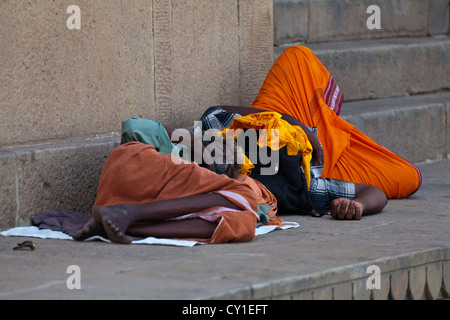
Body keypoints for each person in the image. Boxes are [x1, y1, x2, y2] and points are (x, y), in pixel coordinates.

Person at [198, 46, 421, 220]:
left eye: (215, 160)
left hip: (289, 117)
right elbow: (374, 193)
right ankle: (330, 122)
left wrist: (296, 123)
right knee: (410, 177)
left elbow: (218, 111)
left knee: (298, 55)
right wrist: (358, 205)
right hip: (330, 163)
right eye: (223, 172)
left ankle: (326, 117)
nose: (222, 164)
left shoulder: (217, 130)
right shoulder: (297, 190)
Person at [73, 118, 280, 244]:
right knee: (244, 197)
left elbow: (257, 211)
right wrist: (194, 142)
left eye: (231, 167)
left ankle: (124, 223)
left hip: (161, 201)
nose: (227, 163)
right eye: (224, 154)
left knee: (242, 223)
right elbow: (132, 126)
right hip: (136, 172)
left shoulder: (214, 183)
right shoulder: (174, 150)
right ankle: (125, 214)